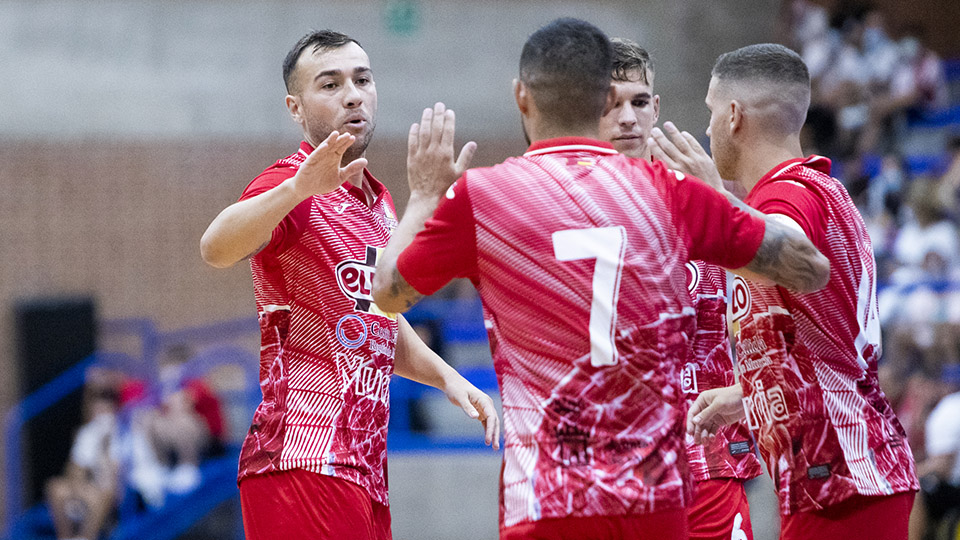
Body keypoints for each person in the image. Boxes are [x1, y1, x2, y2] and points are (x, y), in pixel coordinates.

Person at [371, 18, 829, 540]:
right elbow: (810, 268)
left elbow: (386, 294)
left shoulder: (484, 196)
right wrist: (726, 202)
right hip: (655, 494)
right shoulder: (673, 193)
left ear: (522, 97)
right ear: (602, 99)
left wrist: (427, 195)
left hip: (546, 497)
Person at [199, 30, 499, 540]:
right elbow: (215, 247)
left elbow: (375, 317)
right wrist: (298, 189)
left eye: (362, 79)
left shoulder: (377, 203)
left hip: (363, 467)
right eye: (331, 84)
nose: (353, 94)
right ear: (296, 108)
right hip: (299, 460)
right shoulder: (287, 183)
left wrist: (450, 378)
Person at [649, 43, 920, 540]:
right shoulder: (813, 187)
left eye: (711, 113)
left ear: (733, 116)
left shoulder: (787, 195)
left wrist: (716, 205)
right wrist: (747, 394)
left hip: (842, 476)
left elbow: (794, 255)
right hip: (837, 473)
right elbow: (818, 342)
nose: (707, 130)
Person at [599, 38, 763, 540]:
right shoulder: (557, 203)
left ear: (657, 108)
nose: (627, 117)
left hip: (707, 462)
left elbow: (785, 291)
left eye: (640, 101)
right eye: (610, 102)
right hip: (609, 468)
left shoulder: (708, 188)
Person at [45, 386, 123, 540]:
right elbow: (76, 468)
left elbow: (113, 478)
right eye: (97, 411)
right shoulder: (87, 433)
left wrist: (104, 447)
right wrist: (78, 486)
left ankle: (87, 537)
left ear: (113, 412)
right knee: (56, 488)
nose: (100, 416)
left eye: (104, 411)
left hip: (113, 490)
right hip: (88, 486)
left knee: (97, 495)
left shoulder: (121, 434)